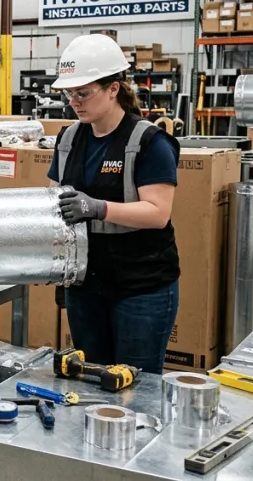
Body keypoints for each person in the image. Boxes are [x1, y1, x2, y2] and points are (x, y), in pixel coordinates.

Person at [47, 34, 180, 374]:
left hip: (140, 287)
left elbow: (158, 213)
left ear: (113, 88)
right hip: (86, 285)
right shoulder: (68, 139)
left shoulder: (149, 141)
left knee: (136, 386)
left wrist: (97, 207)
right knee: (91, 379)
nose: (74, 101)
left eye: (83, 92)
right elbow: (51, 199)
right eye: (69, 93)